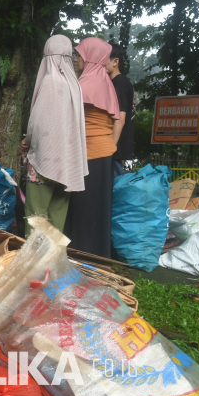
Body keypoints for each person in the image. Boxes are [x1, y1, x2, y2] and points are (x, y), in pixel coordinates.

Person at [21, 35, 88, 235]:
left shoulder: (50, 81)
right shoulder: (74, 84)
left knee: (36, 218)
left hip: (45, 161)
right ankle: (53, 264)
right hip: (66, 164)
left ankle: (33, 264)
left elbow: (39, 123)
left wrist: (27, 140)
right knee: (57, 220)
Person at [66, 37, 122, 258]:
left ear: (90, 57)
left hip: (90, 154)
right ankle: (97, 256)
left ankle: (84, 256)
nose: (76, 59)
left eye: (80, 55)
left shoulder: (87, 84)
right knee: (98, 210)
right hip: (102, 152)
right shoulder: (104, 82)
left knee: (85, 210)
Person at [107, 42, 135, 177]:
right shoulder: (119, 82)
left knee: (115, 190)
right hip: (121, 150)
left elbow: (120, 118)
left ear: (115, 61)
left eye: (104, 59)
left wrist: (110, 148)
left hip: (117, 151)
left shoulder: (120, 83)